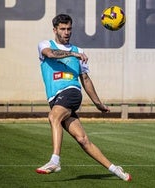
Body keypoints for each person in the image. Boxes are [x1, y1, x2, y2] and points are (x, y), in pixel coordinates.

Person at [36, 14, 131, 181]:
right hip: (55, 98)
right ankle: (116, 170)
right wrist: (72, 54)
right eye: (63, 29)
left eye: (69, 29)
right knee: (82, 139)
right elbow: (50, 54)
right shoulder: (45, 45)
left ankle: (55, 160)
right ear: (55, 30)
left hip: (71, 91)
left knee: (53, 117)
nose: (66, 32)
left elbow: (85, 79)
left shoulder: (79, 51)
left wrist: (98, 103)